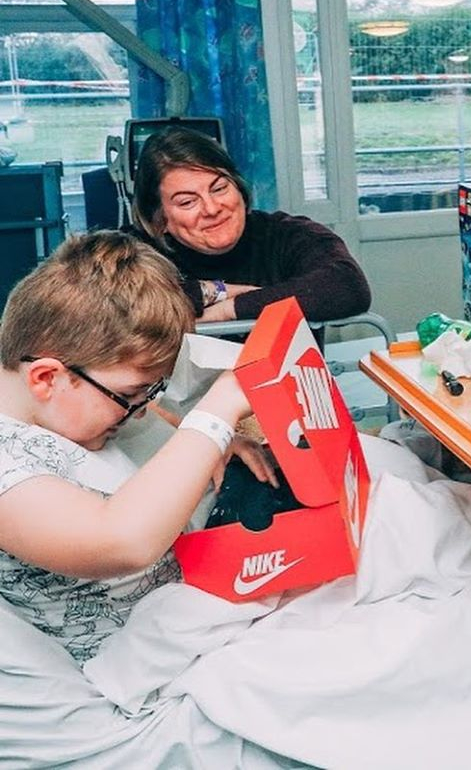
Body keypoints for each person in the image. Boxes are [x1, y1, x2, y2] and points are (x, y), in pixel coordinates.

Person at [0, 231, 271, 662]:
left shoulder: (70, 407)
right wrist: (217, 412)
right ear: (47, 378)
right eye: (129, 396)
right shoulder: (8, 465)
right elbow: (120, 540)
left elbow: (144, 416)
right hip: (142, 658)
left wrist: (211, 442)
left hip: (192, 606)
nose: (139, 411)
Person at [131, 126, 372, 324]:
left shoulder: (286, 234)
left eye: (219, 188)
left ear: (239, 188)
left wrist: (228, 310)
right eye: (187, 202)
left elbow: (347, 286)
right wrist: (214, 291)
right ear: (158, 219)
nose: (212, 209)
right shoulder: (134, 251)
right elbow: (109, 304)